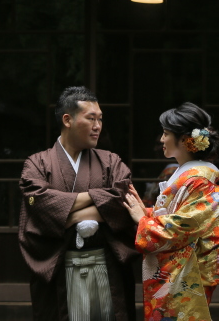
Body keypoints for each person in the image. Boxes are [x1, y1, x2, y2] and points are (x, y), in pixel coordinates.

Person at [18, 86, 138, 321]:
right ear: (67, 120)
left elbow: (124, 201)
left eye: (100, 119)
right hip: (60, 266)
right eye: (91, 118)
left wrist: (68, 216)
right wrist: (99, 197)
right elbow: (40, 204)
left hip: (106, 265)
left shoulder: (110, 161)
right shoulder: (37, 164)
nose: (98, 126)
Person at [122, 102, 219, 321]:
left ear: (184, 140)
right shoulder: (186, 177)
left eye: (166, 134)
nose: (161, 139)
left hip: (186, 272)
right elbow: (175, 218)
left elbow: (179, 228)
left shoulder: (199, 181)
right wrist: (147, 213)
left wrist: (142, 219)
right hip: (176, 270)